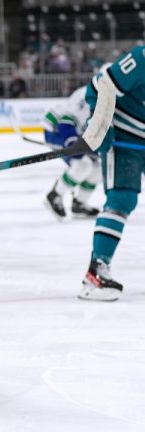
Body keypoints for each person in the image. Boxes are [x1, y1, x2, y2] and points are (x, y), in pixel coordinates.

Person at [78, 47, 145, 302]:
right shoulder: (141, 59)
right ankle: (96, 274)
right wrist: (100, 124)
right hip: (124, 138)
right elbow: (99, 87)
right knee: (122, 199)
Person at [42, 85, 101, 220]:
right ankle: (55, 196)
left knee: (98, 169)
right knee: (82, 165)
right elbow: (66, 121)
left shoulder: (120, 96)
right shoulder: (86, 95)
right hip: (56, 131)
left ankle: (79, 204)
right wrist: (72, 142)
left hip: (81, 134)